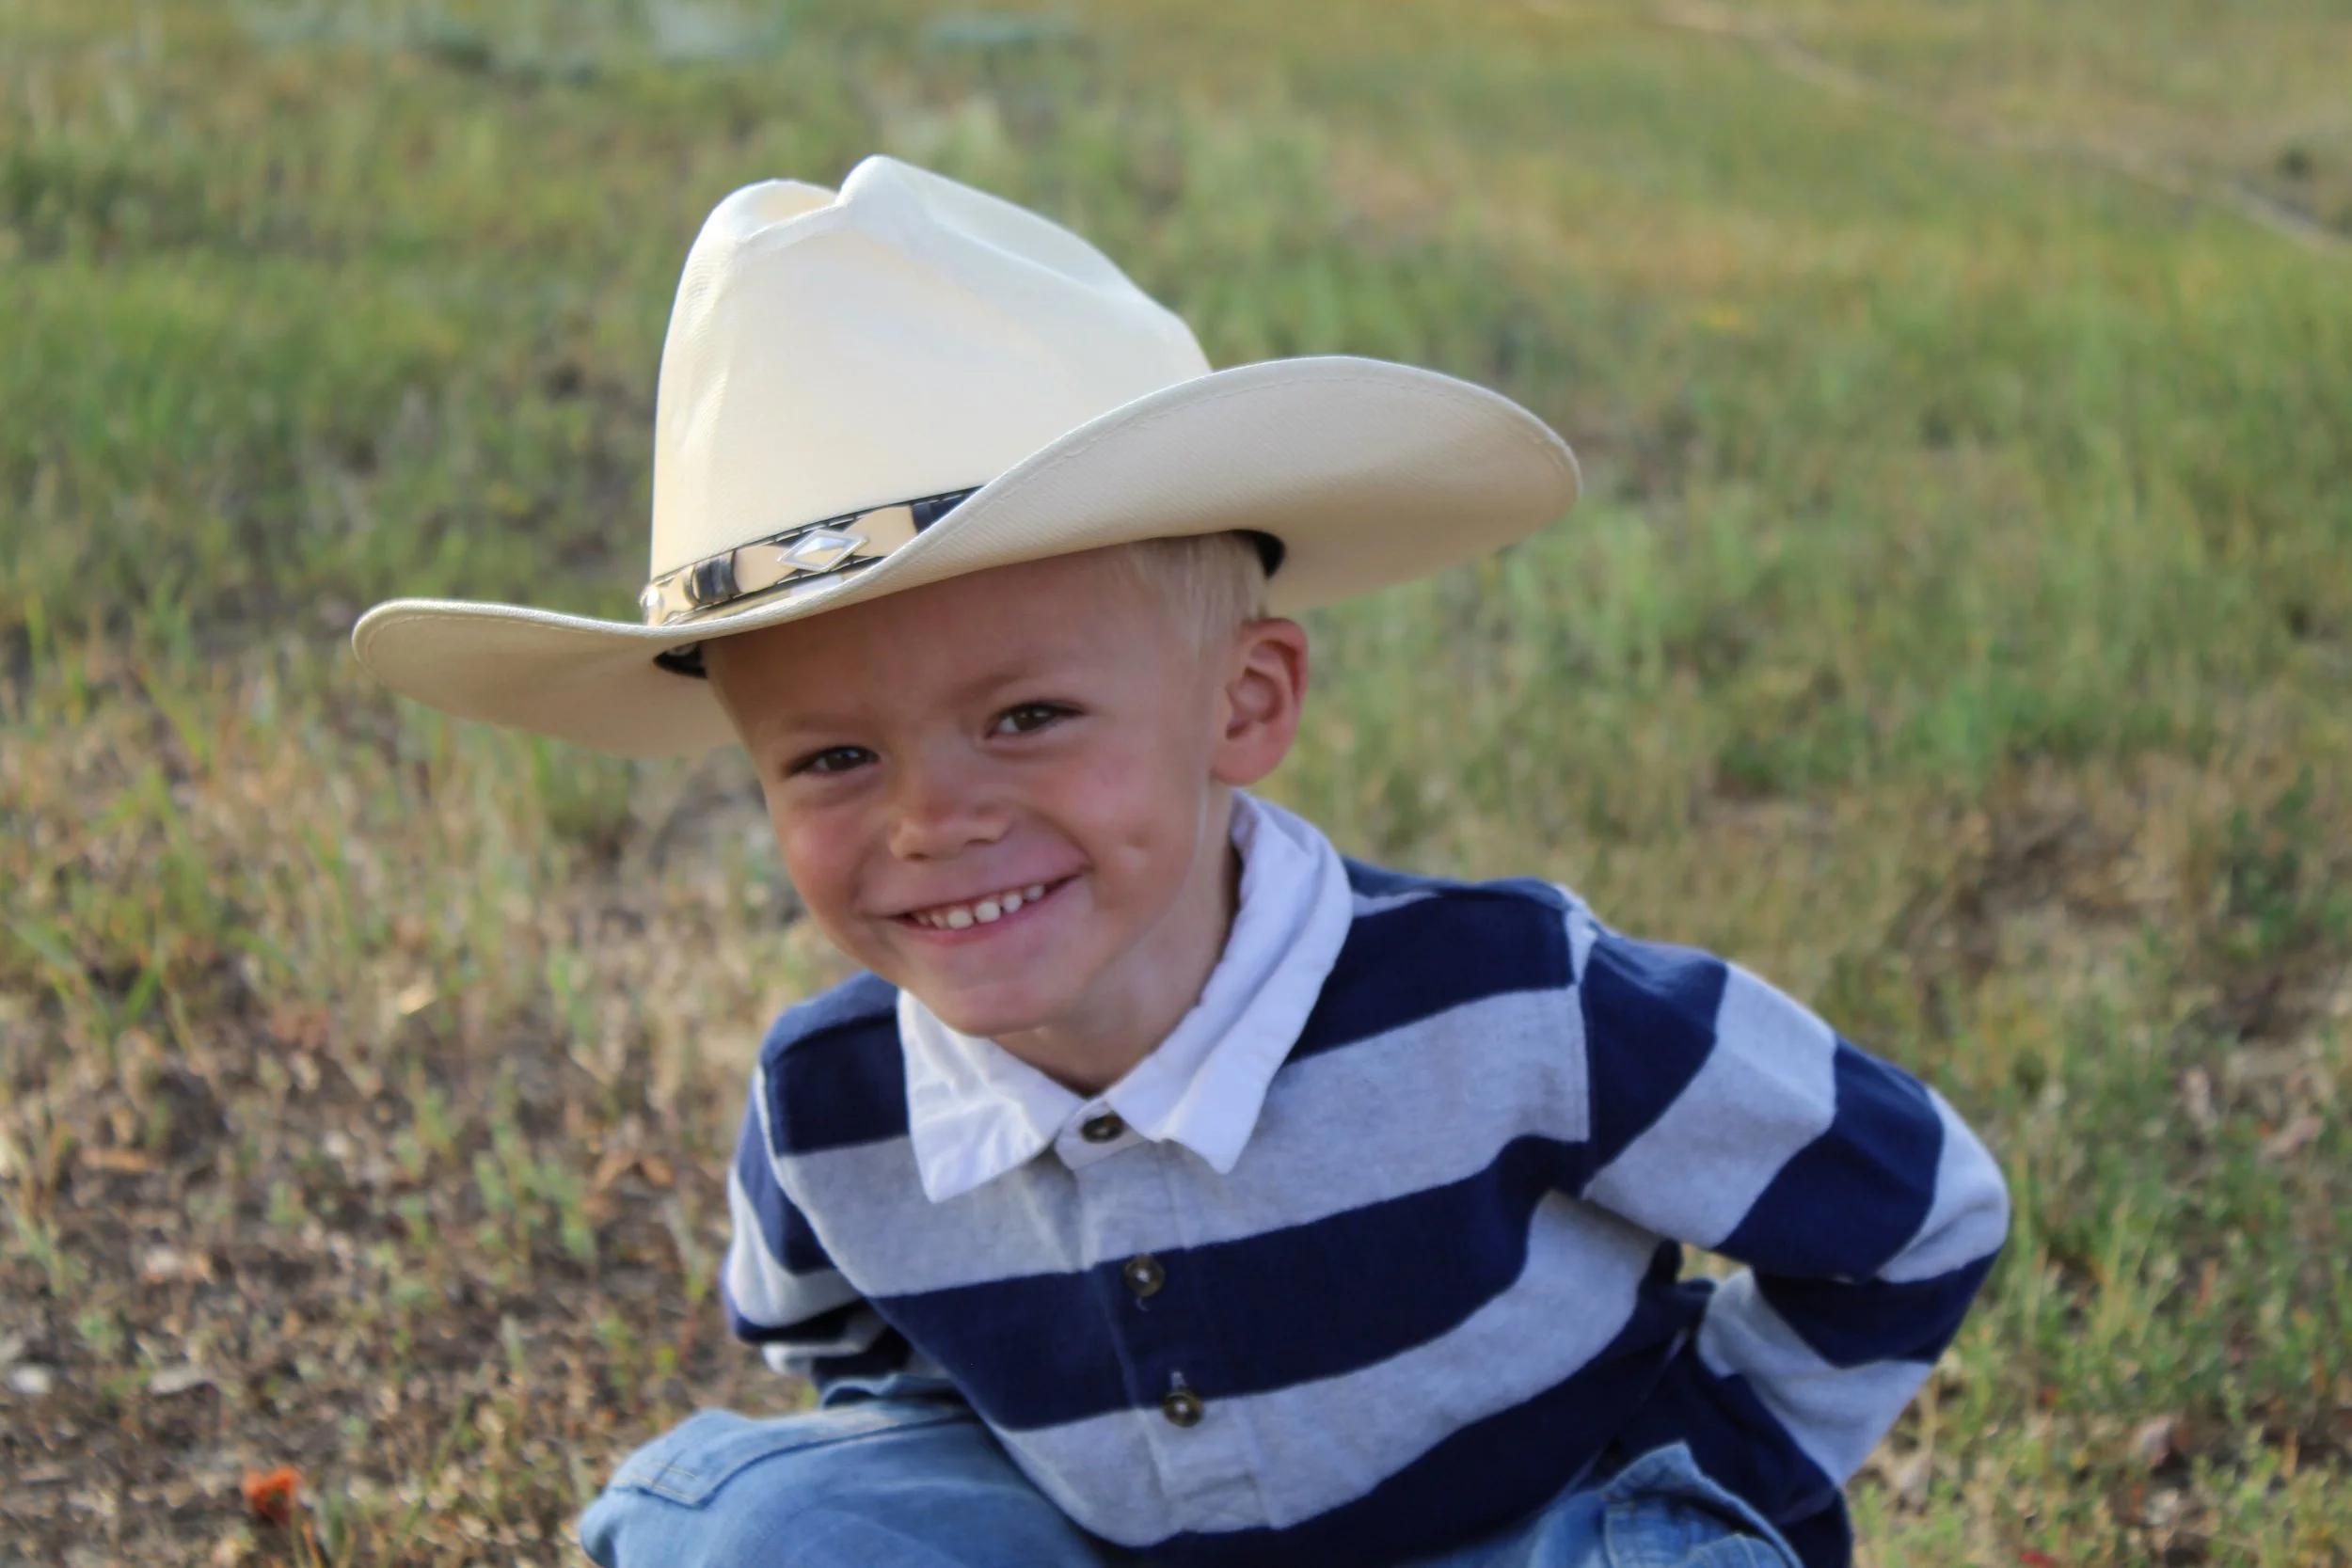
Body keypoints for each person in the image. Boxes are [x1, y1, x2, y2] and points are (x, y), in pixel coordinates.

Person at [354, 155, 2008, 1568]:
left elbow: (1914, 1209)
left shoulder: (1505, 1001)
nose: (934, 817)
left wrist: (1704, 1486)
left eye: (1026, 714)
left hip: (1525, 1524)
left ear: (1246, 699)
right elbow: (861, 1365)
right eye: (834, 756)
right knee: (741, 1528)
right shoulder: (829, 1111)